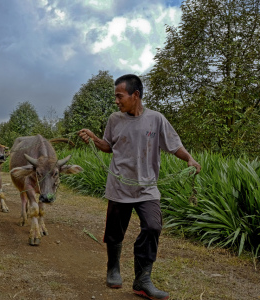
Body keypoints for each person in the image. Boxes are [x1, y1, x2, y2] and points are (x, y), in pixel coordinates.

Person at [78, 74, 201, 300]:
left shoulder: (156, 119)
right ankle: (113, 267)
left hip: (147, 187)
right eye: (115, 96)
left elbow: (174, 146)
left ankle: (142, 279)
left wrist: (190, 159)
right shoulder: (115, 119)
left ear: (135, 95)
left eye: (119, 96)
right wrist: (94, 138)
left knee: (153, 226)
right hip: (119, 185)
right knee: (115, 232)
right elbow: (108, 146)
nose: (116, 101)